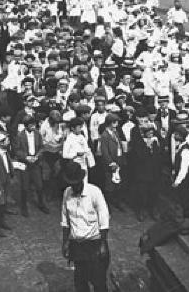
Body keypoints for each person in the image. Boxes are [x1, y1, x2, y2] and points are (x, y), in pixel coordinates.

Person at [60, 161, 110, 292]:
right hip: (77, 245)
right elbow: (65, 220)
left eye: (76, 183)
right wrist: (65, 242)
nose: (74, 186)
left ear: (81, 179)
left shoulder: (94, 192)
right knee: (80, 283)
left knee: (98, 282)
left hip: (94, 243)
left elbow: (104, 219)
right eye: (71, 183)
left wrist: (103, 244)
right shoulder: (67, 193)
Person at [14, 115, 48, 216]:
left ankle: (41, 204)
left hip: (36, 163)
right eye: (31, 125)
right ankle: (24, 207)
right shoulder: (20, 136)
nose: (33, 126)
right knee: (24, 187)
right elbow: (16, 151)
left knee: (39, 186)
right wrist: (26, 157)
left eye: (34, 124)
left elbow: (42, 147)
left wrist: (37, 156)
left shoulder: (37, 134)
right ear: (26, 126)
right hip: (25, 164)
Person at [99, 113, 124, 211]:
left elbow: (119, 145)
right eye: (114, 122)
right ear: (109, 123)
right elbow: (104, 152)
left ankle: (117, 202)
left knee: (118, 183)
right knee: (109, 184)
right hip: (111, 163)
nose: (116, 124)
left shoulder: (115, 132)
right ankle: (107, 205)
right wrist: (111, 162)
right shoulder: (105, 135)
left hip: (118, 159)